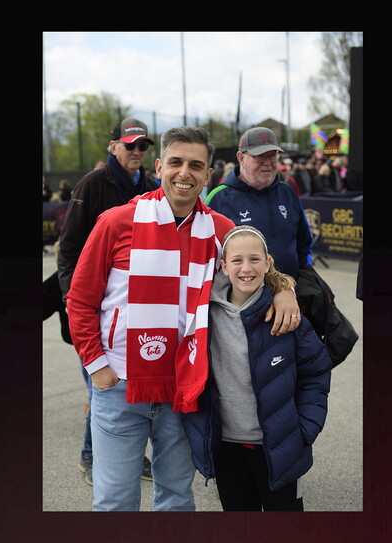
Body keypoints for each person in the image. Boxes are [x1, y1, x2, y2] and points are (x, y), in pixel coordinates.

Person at [65, 126, 302, 511]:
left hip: (184, 390)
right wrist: (96, 366)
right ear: (159, 166)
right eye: (175, 162)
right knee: (114, 502)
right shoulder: (115, 222)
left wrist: (284, 290)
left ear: (208, 175)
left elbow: (259, 266)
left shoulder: (221, 231)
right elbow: (80, 299)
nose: (184, 173)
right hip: (120, 385)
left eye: (196, 165)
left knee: (176, 500)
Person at [182, 225, 332, 511]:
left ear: (268, 263)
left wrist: (304, 429)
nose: (246, 268)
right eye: (237, 260)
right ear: (223, 266)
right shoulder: (203, 314)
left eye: (254, 259)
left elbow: (316, 373)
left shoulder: (286, 315)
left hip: (279, 444)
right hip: (225, 445)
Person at [57, 117, 159, 486]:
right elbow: (67, 250)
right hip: (91, 305)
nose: (135, 151)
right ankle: (90, 455)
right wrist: (75, 300)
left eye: (142, 146)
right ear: (112, 146)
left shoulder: (151, 187)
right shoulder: (92, 183)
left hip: (136, 307)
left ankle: (133, 455)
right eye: (129, 145)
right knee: (101, 384)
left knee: (134, 385)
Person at [204, 127, 314, 279]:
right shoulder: (218, 198)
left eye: (273, 156)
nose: (268, 163)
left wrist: (306, 274)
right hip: (243, 298)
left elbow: (304, 244)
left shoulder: (287, 192)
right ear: (241, 158)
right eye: (260, 157)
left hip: (292, 292)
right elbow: (206, 256)